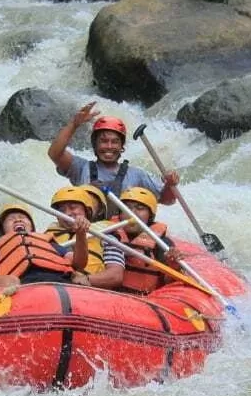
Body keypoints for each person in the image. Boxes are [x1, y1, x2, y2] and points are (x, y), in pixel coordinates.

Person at [48, 102, 180, 210]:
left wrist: (169, 184)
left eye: (115, 142)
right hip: (88, 231)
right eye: (104, 141)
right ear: (95, 145)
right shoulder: (81, 168)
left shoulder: (137, 175)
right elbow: (55, 153)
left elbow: (166, 200)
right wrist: (74, 124)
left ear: (121, 146)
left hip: (122, 236)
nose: (109, 147)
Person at [0, 202, 90, 289]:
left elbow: (79, 264)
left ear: (32, 227)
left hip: (59, 279)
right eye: (11, 219)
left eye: (23, 218)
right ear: (3, 231)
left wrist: (81, 234)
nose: (18, 220)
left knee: (79, 276)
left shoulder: (48, 242)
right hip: (21, 285)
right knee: (7, 281)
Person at [44, 186, 125, 289]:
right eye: (62, 210)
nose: (67, 213)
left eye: (73, 207)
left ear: (87, 211)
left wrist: (87, 279)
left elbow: (115, 276)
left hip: (86, 290)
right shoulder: (48, 235)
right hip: (52, 283)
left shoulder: (107, 236)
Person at [113, 187, 186, 294]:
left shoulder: (162, 243)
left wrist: (173, 266)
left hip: (143, 302)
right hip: (106, 298)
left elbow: (169, 284)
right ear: (119, 213)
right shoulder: (108, 234)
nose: (132, 213)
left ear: (150, 216)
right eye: (126, 207)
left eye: (140, 208)